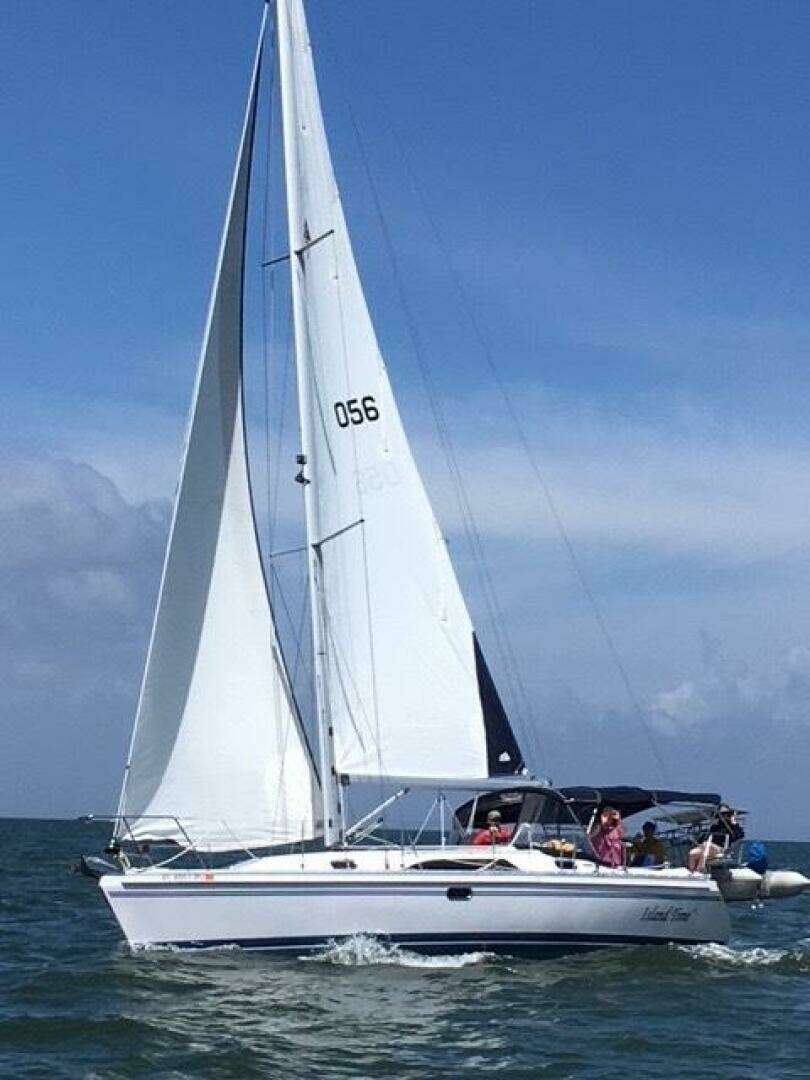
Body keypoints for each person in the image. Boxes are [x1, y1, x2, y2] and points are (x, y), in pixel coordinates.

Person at [688, 805, 743, 872]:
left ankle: (700, 869)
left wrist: (733, 823)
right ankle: (692, 871)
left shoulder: (732, 826)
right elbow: (708, 836)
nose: (723, 816)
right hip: (708, 847)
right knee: (692, 853)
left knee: (706, 845)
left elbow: (739, 836)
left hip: (721, 849)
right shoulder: (715, 826)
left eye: (726, 814)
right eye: (722, 814)